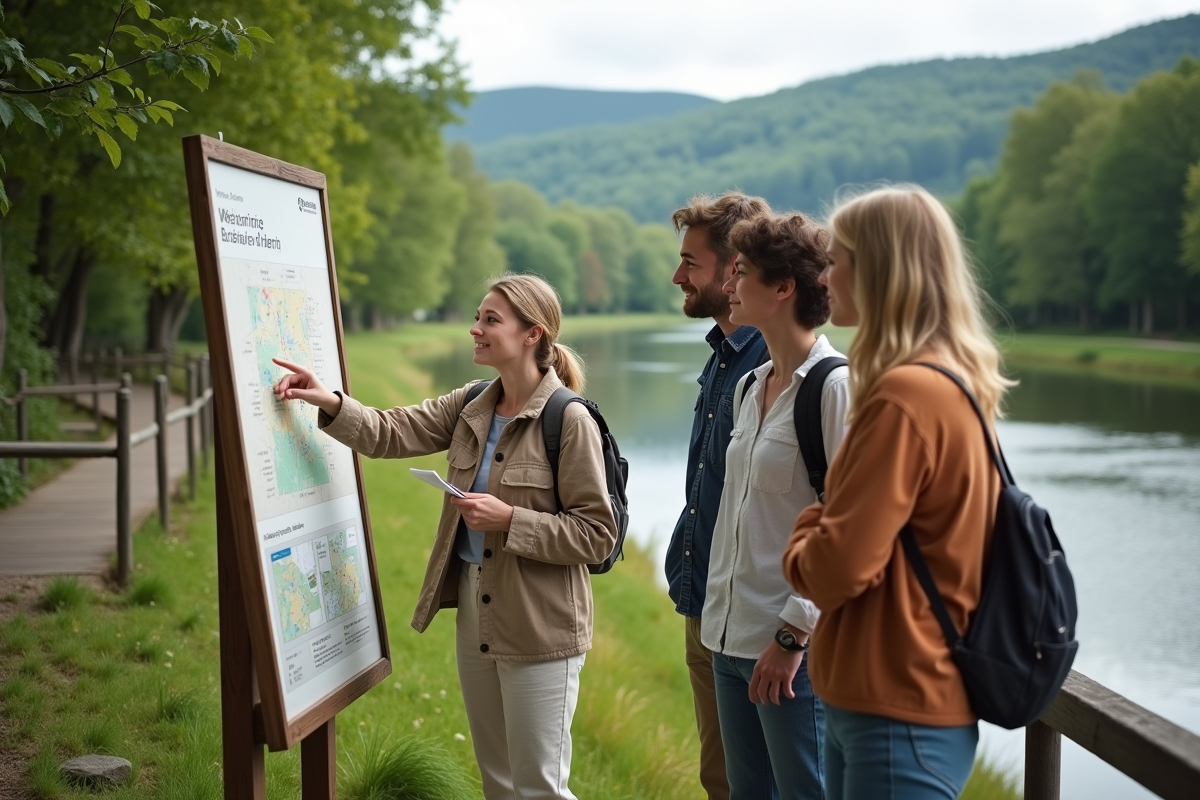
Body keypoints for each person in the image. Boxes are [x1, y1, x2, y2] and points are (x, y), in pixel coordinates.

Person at [273, 273, 618, 800]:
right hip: (477, 611)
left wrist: (510, 520)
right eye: (477, 317)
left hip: (540, 623)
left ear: (532, 334)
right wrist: (329, 399)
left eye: (490, 320)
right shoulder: (471, 403)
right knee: (499, 782)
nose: (474, 328)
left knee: (539, 788)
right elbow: (389, 431)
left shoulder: (569, 420)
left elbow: (597, 535)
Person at [782, 185, 1013, 800]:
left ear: (880, 270)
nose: (825, 277)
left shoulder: (904, 397)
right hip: (893, 700)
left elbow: (832, 571)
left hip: (896, 706)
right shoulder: (945, 381)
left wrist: (805, 530)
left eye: (837, 260)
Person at [702, 213, 848, 800]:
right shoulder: (749, 383)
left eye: (740, 274)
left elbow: (849, 528)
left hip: (789, 652)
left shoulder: (834, 388)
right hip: (727, 640)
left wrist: (793, 637)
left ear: (784, 287)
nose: (729, 287)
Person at [665, 192, 772, 800]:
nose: (678, 275)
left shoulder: (779, 366)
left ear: (734, 267)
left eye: (689, 262)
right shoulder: (722, 356)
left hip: (760, 620)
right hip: (704, 602)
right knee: (722, 780)